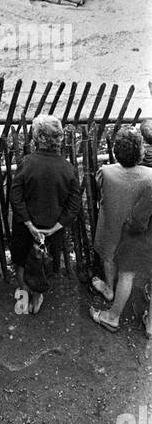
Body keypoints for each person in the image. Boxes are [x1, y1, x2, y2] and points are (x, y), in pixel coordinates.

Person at [9, 115, 80, 315]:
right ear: (58, 139)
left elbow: (16, 196)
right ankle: (38, 297)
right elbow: (74, 204)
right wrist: (56, 227)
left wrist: (30, 224)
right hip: (52, 229)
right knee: (45, 262)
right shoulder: (68, 168)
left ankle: (23, 295)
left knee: (22, 259)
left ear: (38, 137)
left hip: (25, 227)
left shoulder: (27, 163)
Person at [89, 127, 152, 319]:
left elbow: (101, 188)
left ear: (116, 151)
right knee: (128, 268)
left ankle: (109, 289)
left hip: (110, 225)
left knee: (108, 257)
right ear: (141, 152)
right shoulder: (150, 175)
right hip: (133, 234)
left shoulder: (105, 171)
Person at [91, 179, 152, 336]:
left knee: (126, 274)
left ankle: (112, 317)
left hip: (145, 239)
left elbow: (139, 221)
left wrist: (128, 224)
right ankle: (150, 325)